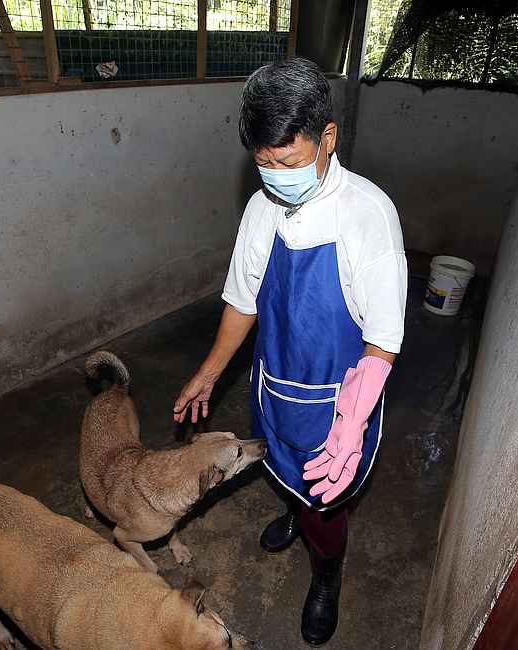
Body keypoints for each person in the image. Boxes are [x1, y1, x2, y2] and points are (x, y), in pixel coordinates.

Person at [173, 57, 407, 646]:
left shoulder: (368, 216)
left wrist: (354, 416)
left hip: (337, 397)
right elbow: (243, 299)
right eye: (263, 163)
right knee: (284, 465)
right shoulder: (261, 208)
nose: (276, 175)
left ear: (327, 137)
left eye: (289, 162)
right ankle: (296, 515)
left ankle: (326, 572)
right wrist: (209, 372)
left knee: (327, 501)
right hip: (275, 378)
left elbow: (383, 337)